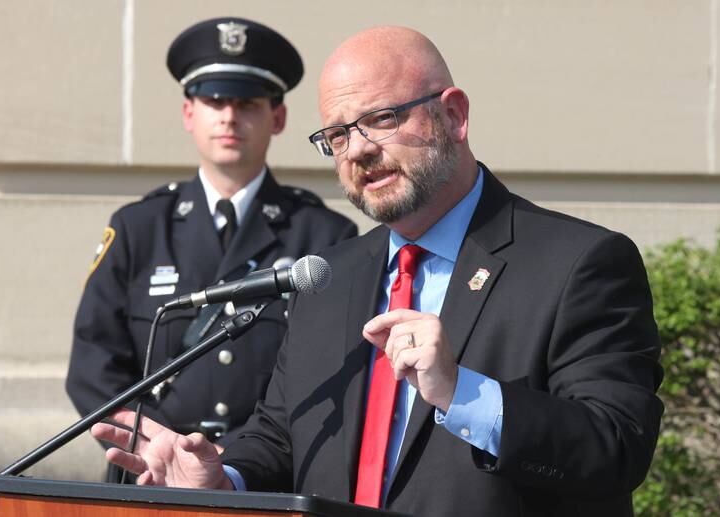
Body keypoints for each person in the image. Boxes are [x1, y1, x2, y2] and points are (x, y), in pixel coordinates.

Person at [91, 26, 664, 516]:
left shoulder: (579, 263)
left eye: (381, 119)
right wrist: (223, 482)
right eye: (338, 135)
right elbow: (280, 435)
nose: (358, 150)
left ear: (455, 115)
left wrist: (462, 393)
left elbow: (617, 448)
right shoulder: (328, 277)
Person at [66, 16, 357, 478]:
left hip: (262, 482)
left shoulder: (324, 237)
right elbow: (93, 363)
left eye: (247, 103)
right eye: (214, 100)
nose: (229, 116)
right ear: (189, 113)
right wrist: (157, 442)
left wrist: (241, 457)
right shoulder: (139, 228)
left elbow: (332, 375)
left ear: (277, 118)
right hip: (147, 476)